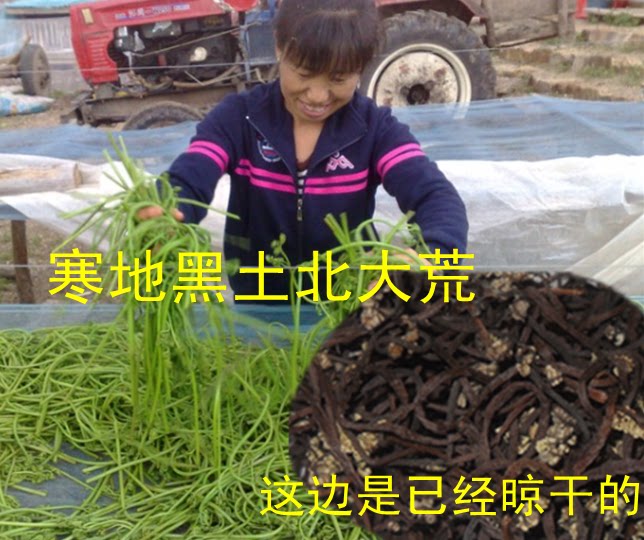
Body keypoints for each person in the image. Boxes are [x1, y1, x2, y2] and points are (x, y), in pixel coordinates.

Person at [141, 0, 468, 299]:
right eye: (305, 74)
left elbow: (435, 196)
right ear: (279, 46)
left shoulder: (374, 130)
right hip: (260, 303)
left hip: (349, 303)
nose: (317, 96)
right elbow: (192, 174)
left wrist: (431, 255)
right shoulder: (240, 118)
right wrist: (168, 210)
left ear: (362, 66)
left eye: (338, 79)